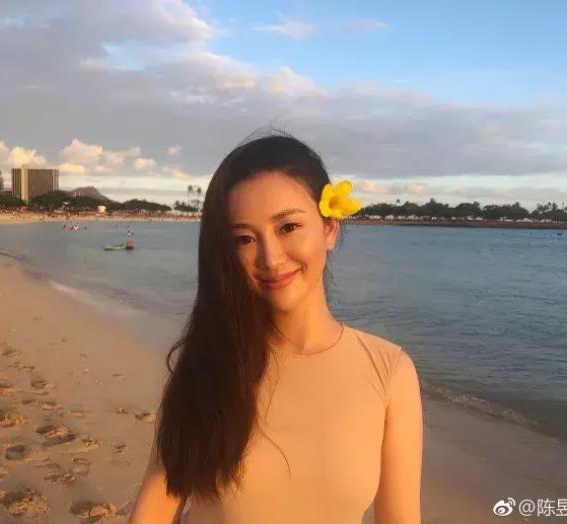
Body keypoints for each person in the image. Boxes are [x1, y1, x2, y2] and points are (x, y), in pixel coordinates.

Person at [130, 130, 423, 524]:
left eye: (287, 228)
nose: (269, 258)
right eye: (244, 239)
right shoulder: (208, 362)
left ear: (330, 227)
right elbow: (153, 510)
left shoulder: (389, 371)